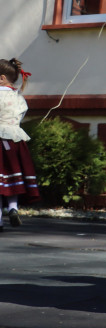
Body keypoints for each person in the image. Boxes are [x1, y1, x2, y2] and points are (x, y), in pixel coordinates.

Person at [0, 58, 39, 230]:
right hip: (16, 141)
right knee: (12, 178)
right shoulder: (19, 98)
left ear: (1, 78)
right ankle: (13, 208)